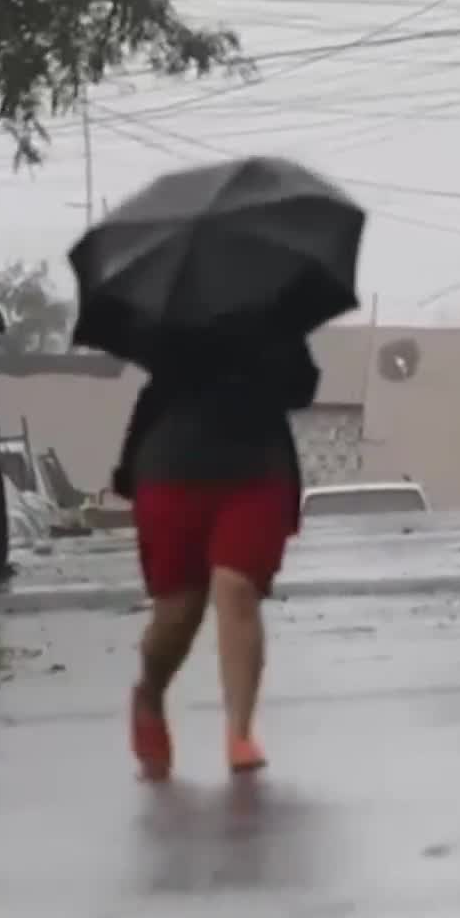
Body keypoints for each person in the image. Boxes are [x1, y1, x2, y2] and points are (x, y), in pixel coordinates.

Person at [108, 319, 320, 779]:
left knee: (237, 586)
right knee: (177, 614)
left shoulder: (272, 309)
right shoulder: (168, 313)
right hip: (173, 470)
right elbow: (153, 392)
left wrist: (270, 353)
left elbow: (302, 387)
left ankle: (239, 732)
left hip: (257, 470)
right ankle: (149, 693)